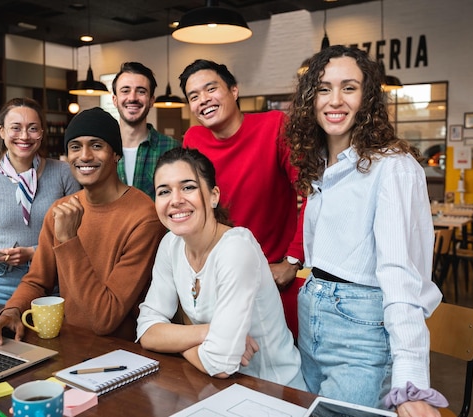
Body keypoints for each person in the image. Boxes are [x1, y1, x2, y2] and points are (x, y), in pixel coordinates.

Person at [286, 45, 447, 416]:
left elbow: (402, 277)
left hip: (362, 330)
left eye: (349, 87)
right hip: (312, 316)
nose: (334, 100)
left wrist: (411, 384)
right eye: (324, 89)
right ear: (311, 99)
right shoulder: (321, 166)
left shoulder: (393, 167)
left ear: (368, 97)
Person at [0, 107, 167, 343]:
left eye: (96, 145)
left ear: (116, 154)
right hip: (67, 341)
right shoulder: (60, 209)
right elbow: (37, 281)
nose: (84, 156)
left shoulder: (144, 217)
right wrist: (11, 311)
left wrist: (69, 240)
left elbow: (105, 319)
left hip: (120, 353)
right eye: (75, 147)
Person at [136, 147, 305, 390]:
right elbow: (147, 331)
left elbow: (221, 363)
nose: (175, 200)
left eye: (188, 187)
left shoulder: (236, 247)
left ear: (213, 196)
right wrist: (209, 333)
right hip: (215, 388)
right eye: (164, 191)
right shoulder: (171, 243)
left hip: (274, 391)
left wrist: (176, 341)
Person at [179, 59, 305, 334]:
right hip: (218, 282)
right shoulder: (193, 139)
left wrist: (293, 260)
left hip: (273, 281)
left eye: (211, 89)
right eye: (194, 96)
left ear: (234, 91)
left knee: (280, 371)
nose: (204, 100)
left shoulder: (274, 126)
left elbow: (313, 193)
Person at [0, 97, 80, 316]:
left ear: (42, 133)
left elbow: (78, 236)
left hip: (51, 281)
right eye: (16, 128)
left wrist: (33, 253)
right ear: (2, 132)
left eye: (33, 129)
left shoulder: (64, 173)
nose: (24, 136)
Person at [112, 62, 180, 200]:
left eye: (141, 91)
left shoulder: (172, 148)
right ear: (115, 100)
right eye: (125, 90)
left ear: (151, 100)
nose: (132, 98)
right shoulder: (103, 148)